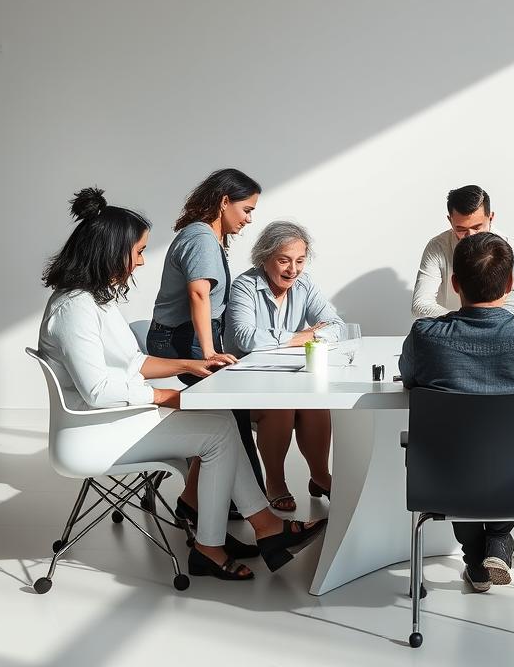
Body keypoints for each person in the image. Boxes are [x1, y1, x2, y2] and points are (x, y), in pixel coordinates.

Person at [38, 188, 324, 581]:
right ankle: (227, 540)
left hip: (112, 417)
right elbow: (98, 389)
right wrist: (168, 396)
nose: (140, 262)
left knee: (220, 421)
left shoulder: (92, 302)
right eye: (137, 251)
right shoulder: (74, 309)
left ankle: (257, 529)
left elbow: (134, 362)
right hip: (93, 431)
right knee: (220, 431)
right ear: (109, 251)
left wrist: (194, 362)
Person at [400, 232, 514, 593]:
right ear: (510, 284)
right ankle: (499, 544)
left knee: (462, 454)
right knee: (503, 449)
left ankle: (476, 558)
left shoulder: (426, 336)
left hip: (445, 475)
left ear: (455, 283)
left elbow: (410, 377)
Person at [146, 168, 265, 511]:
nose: (249, 219)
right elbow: (199, 295)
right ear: (224, 201)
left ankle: (200, 501)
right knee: (232, 412)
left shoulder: (204, 236)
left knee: (229, 413)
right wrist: (210, 352)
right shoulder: (200, 237)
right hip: (183, 340)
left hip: (184, 336)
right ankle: (238, 504)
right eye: (247, 210)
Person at [225, 220, 344, 511]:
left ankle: (319, 476)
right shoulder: (245, 286)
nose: (293, 270)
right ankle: (275, 482)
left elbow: (337, 326)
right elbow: (245, 338)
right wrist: (299, 337)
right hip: (243, 383)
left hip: (286, 376)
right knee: (281, 404)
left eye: (300, 261)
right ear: (264, 258)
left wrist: (304, 336)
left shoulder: (304, 284)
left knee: (315, 401)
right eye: (284, 260)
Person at [411, 184, 514, 318]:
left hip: (498, 330)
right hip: (449, 330)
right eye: (461, 229)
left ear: (491, 218)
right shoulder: (437, 247)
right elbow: (420, 304)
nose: (471, 235)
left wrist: (475, 322)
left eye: (477, 227)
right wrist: (465, 321)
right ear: (450, 221)